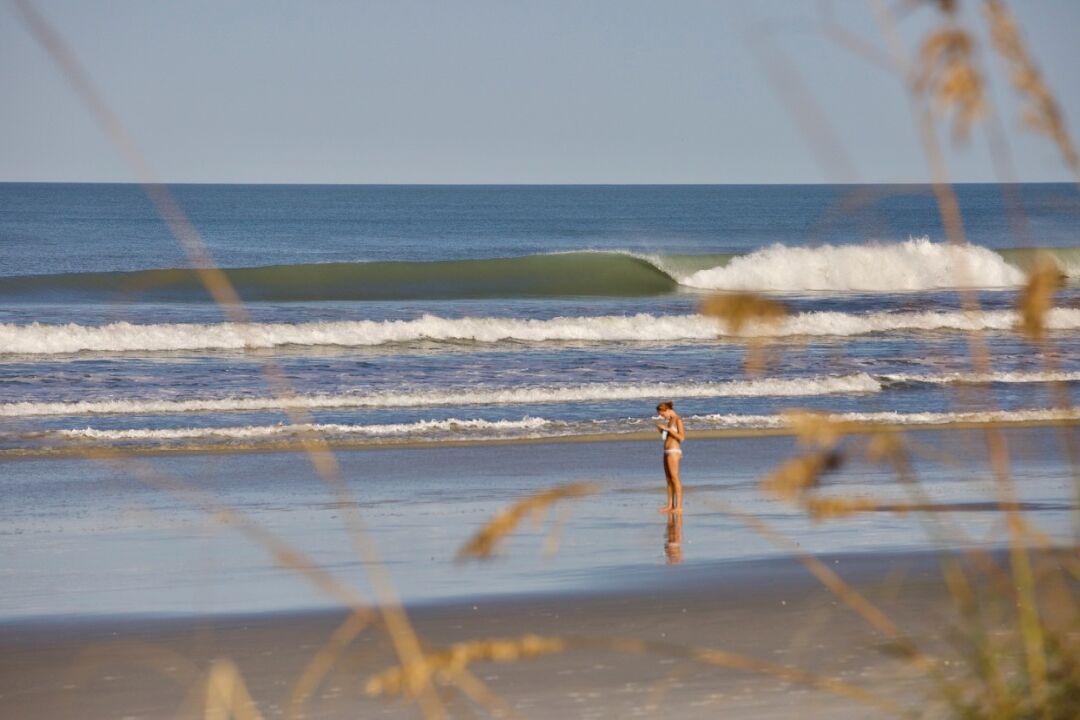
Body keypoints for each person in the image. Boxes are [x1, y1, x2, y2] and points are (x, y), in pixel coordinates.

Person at [655, 401, 685, 513]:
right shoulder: (669, 421)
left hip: (674, 451)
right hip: (667, 451)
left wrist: (668, 430)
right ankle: (670, 505)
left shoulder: (678, 419)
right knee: (668, 480)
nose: (662, 416)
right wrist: (662, 430)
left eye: (662, 414)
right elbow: (667, 438)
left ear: (667, 410)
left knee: (675, 478)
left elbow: (681, 438)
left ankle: (679, 507)